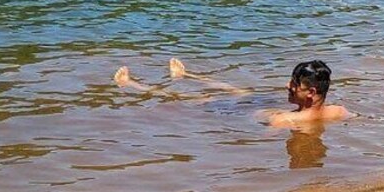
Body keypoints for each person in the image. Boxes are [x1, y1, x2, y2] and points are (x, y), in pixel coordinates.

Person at [114, 59, 350, 127]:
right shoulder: (339, 112)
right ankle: (186, 76)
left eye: (293, 85)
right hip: (259, 107)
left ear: (310, 92)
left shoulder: (283, 120)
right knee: (240, 90)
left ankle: (132, 84)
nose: (287, 87)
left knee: (198, 100)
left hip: (236, 113)